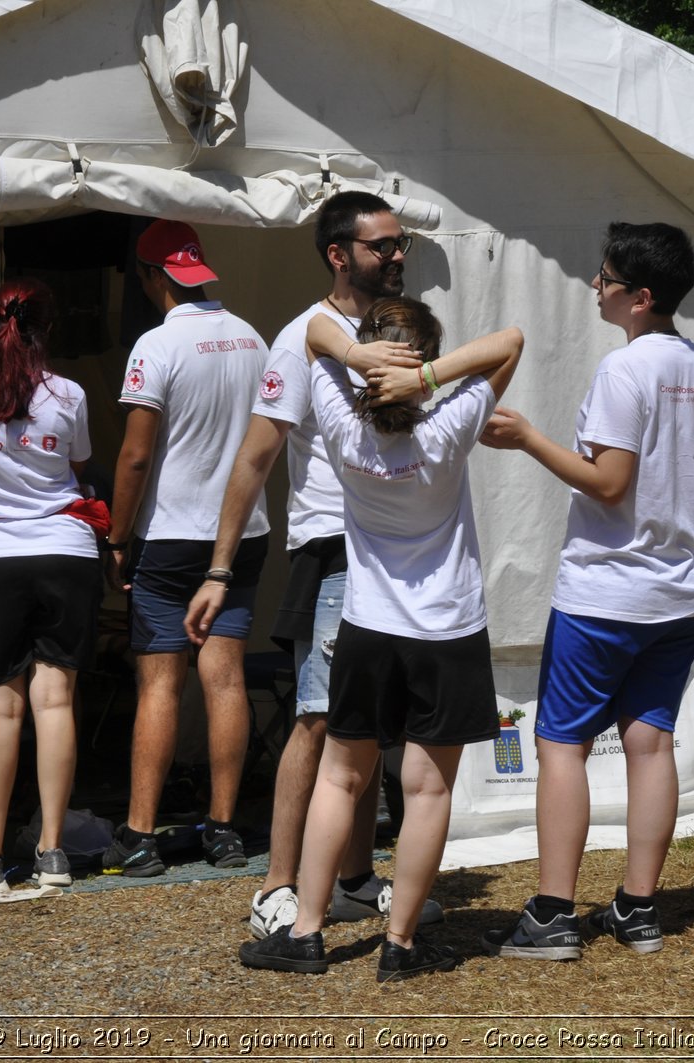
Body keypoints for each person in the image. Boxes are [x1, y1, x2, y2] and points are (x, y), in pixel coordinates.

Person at [239, 297, 524, 982]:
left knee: (341, 775)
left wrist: (358, 360)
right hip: (449, 630)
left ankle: (306, 932)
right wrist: (425, 379)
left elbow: (311, 331)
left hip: (369, 628)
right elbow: (509, 341)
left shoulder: (342, 426)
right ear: (425, 363)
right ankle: (398, 944)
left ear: (369, 359)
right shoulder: (448, 426)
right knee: (425, 791)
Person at [184, 191, 443, 939]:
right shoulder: (301, 336)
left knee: (370, 721)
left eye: (402, 246)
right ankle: (278, 885)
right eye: (381, 247)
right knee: (318, 716)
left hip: (398, 550)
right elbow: (256, 456)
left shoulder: (401, 331)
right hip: (332, 548)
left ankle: (356, 879)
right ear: (339, 253)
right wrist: (220, 570)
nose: (397, 258)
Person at [480, 221, 694, 960]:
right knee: (650, 744)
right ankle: (638, 906)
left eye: (605, 279)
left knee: (561, 742)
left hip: (608, 594)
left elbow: (610, 481)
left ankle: (554, 912)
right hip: (685, 595)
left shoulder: (624, 372)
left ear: (640, 297)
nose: (596, 287)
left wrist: (530, 437)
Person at [101, 219, 271, 877]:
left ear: (150, 278)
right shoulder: (253, 337)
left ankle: (141, 833)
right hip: (242, 533)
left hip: (171, 533)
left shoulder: (155, 344)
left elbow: (136, 455)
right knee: (225, 677)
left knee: (160, 684)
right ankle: (224, 829)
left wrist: (117, 536)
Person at [0, 279, 103, 891]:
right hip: (65, 552)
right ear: (50, 329)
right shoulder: (68, 393)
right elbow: (78, 466)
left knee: (1, 709)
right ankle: (51, 853)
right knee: (55, 704)